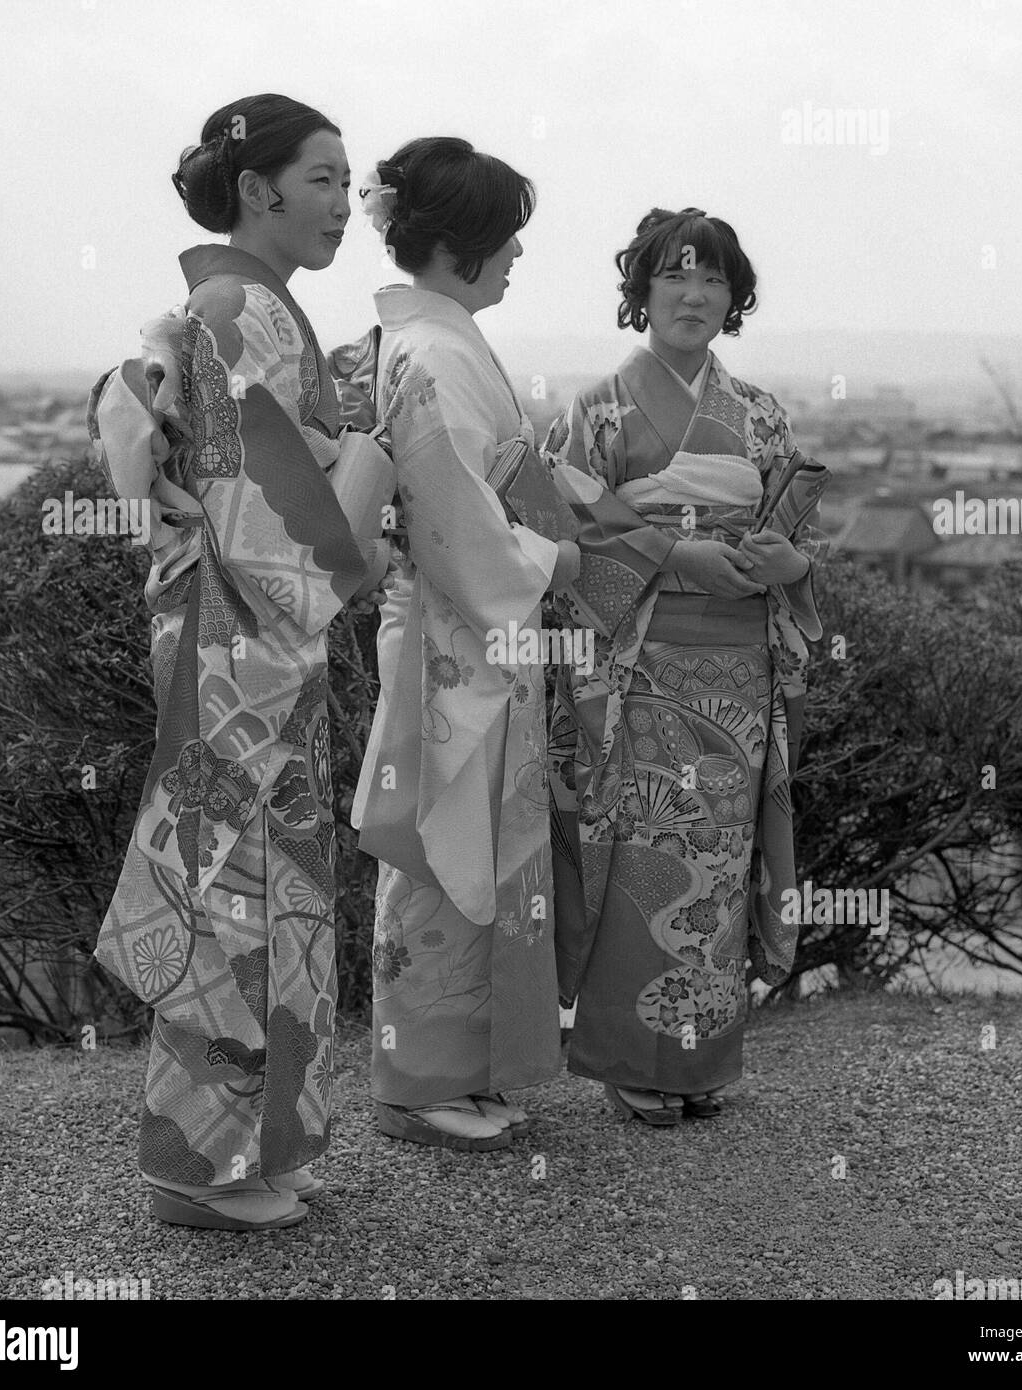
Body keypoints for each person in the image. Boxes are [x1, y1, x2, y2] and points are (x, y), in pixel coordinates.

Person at [91, 94, 389, 1229]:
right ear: (257, 189)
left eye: (345, 182)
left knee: (278, 885)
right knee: (226, 890)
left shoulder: (251, 308)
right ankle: (191, 1171)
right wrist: (362, 468)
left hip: (254, 632)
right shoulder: (237, 310)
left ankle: (258, 1147)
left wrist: (341, 470)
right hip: (237, 629)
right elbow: (259, 512)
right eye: (321, 180)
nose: (341, 207)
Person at [544, 207, 829, 1124]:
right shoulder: (597, 411)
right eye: (674, 275)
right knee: (647, 855)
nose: (695, 294)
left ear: (734, 297)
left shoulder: (760, 416)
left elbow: (798, 533)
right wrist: (673, 558)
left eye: (713, 280)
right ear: (643, 291)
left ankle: (702, 1057)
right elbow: (567, 535)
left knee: (716, 862)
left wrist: (793, 565)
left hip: (739, 667)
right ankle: (637, 1056)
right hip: (643, 668)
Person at [352, 137, 581, 1149]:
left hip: (469, 628)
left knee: (472, 839)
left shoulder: (431, 339)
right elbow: (451, 515)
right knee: (442, 842)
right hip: (459, 624)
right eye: (509, 238)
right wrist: (548, 560)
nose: (519, 256)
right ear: (466, 242)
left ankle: (463, 1063)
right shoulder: (437, 352)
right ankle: (417, 1079)